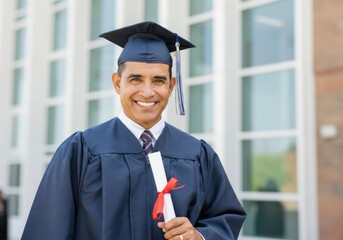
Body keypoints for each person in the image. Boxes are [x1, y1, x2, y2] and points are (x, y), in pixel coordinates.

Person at [22, 21, 246, 240]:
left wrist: (200, 235)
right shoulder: (82, 150)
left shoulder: (196, 154)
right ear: (118, 83)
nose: (147, 92)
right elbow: (48, 228)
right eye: (136, 79)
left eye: (158, 81)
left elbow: (225, 217)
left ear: (171, 85)